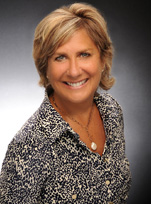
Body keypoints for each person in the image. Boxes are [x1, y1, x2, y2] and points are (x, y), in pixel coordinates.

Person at [0, 2, 131, 203]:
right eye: (60, 57)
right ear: (45, 68)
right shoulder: (28, 147)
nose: (74, 70)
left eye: (84, 54)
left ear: (103, 59)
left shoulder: (111, 112)